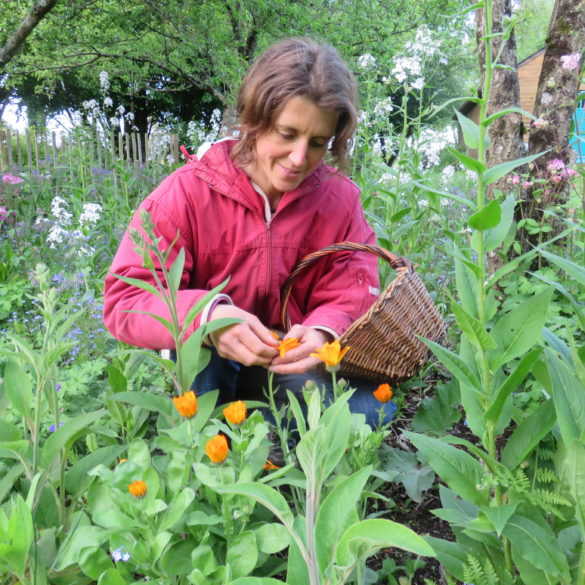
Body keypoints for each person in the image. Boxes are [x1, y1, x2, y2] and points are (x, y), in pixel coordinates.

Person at [103, 37, 396, 427]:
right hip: (208, 363)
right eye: (287, 134)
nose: (298, 158)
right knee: (209, 385)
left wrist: (325, 331)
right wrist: (210, 319)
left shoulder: (340, 201)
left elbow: (354, 287)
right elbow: (127, 299)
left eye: (317, 143)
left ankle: (271, 442)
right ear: (254, 120)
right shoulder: (184, 194)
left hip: (287, 366)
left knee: (369, 414)